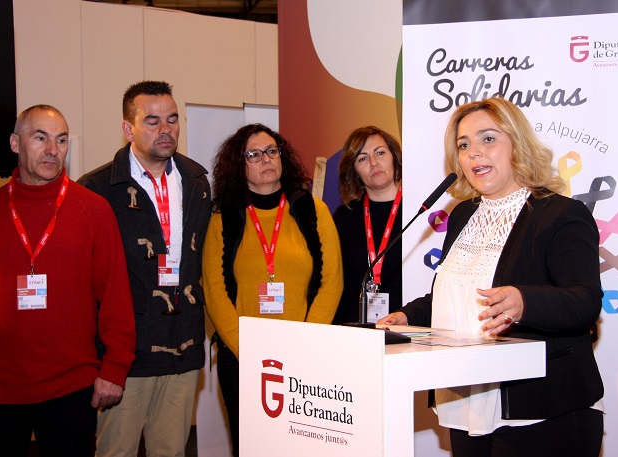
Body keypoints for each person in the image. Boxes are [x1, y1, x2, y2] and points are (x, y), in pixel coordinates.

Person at [379, 97, 604, 457]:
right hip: (465, 400)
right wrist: (409, 316)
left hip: (543, 409)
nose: (473, 153)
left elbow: (584, 300)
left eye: (488, 139)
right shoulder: (462, 216)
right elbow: (458, 296)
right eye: (463, 145)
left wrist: (525, 303)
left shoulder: (561, 214)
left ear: (518, 143)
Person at [0, 105, 136, 456]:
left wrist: (115, 368)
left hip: (71, 389)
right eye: (40, 138)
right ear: (15, 143)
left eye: (61, 140)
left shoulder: (94, 211)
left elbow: (116, 297)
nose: (53, 150)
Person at [78, 81, 211, 457]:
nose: (165, 129)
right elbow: (86, 285)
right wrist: (104, 359)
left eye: (172, 119)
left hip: (184, 347)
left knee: (170, 451)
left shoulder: (197, 182)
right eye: (152, 121)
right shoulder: (97, 189)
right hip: (125, 356)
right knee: (116, 452)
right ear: (128, 128)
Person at [202, 123, 342, 456]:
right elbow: (214, 290)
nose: (265, 159)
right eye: (254, 154)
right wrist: (247, 350)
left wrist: (305, 342)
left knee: (299, 447)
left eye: (271, 151)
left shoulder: (313, 210)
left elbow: (332, 281)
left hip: (303, 354)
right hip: (242, 358)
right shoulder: (224, 218)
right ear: (239, 165)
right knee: (250, 446)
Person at [332, 126, 403, 324]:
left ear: (394, 157)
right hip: (354, 328)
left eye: (380, 153)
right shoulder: (344, 216)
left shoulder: (419, 212)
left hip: (407, 327)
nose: (373, 163)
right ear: (354, 170)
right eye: (362, 158)